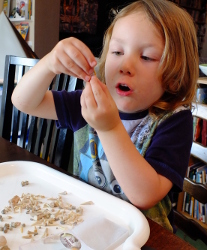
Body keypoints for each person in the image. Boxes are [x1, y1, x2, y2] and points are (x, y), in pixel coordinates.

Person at [11, 0, 199, 232]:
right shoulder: (88, 102)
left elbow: (145, 195)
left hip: (142, 235)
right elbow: (23, 102)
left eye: (147, 57)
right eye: (117, 51)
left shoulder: (174, 122)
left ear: (174, 76)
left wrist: (109, 128)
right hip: (85, 222)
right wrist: (49, 63)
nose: (125, 65)